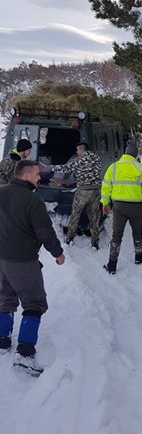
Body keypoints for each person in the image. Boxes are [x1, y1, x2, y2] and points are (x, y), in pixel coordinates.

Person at [0, 159, 65, 376]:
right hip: (23, 261)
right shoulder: (32, 200)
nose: (40, 178)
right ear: (26, 175)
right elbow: (45, 232)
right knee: (34, 303)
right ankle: (25, 354)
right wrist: (58, 253)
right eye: (37, 174)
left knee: (5, 298)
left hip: (2, 259)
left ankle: (2, 339)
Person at [101, 140, 142, 274]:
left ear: (125, 153)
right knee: (137, 232)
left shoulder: (114, 167)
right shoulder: (141, 168)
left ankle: (112, 265)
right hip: (136, 206)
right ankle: (139, 257)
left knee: (117, 235)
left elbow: (106, 186)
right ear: (135, 155)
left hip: (119, 206)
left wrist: (105, 202)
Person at [48, 142, 101, 248]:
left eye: (78, 150)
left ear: (82, 149)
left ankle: (70, 237)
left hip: (83, 191)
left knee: (75, 214)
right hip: (96, 191)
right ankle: (95, 241)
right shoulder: (97, 158)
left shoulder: (80, 160)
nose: (76, 152)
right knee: (94, 216)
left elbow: (66, 168)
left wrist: (49, 167)